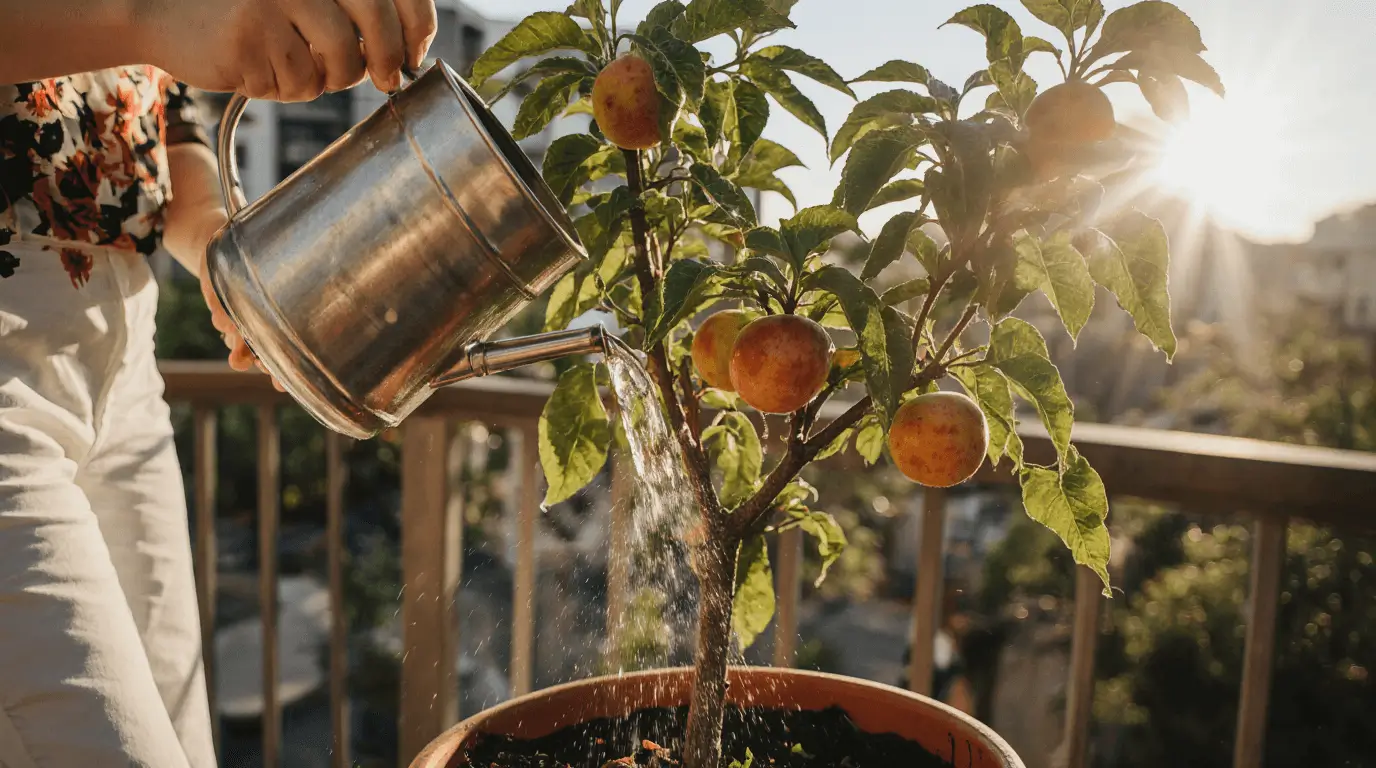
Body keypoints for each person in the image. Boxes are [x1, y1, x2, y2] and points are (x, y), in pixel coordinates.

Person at [0, 1, 436, 764]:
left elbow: (163, 106)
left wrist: (220, 250)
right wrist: (152, 16)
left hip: (128, 350)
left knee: (182, 744)